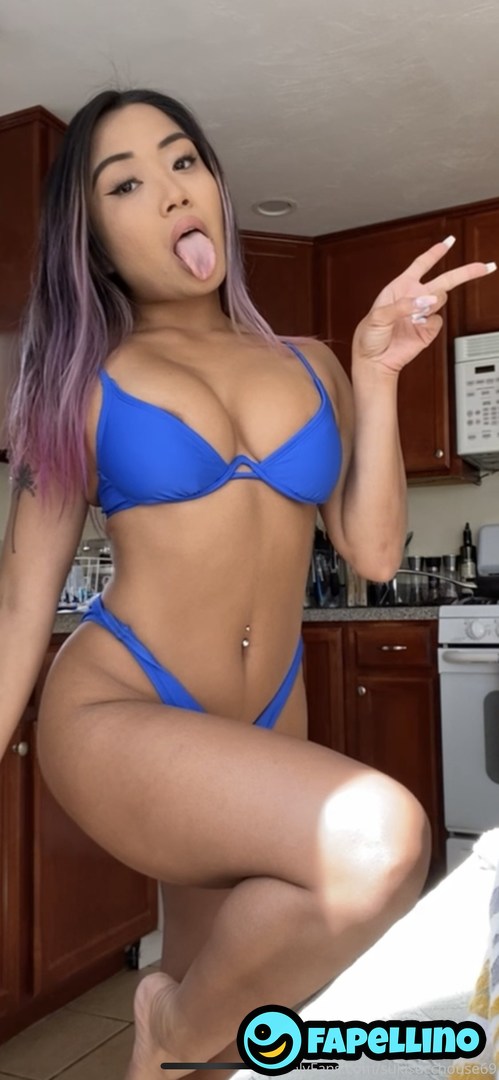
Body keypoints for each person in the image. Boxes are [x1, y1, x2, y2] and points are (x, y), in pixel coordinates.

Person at [0, 86, 494, 1080]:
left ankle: (178, 1042)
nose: (171, 191)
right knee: (380, 843)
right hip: (123, 705)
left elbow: (372, 554)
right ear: (93, 239)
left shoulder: (313, 364)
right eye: (126, 183)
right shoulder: (80, 380)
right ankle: (169, 1027)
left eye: (183, 161)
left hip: (265, 716)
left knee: (229, 1024)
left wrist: (378, 372)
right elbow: (20, 601)